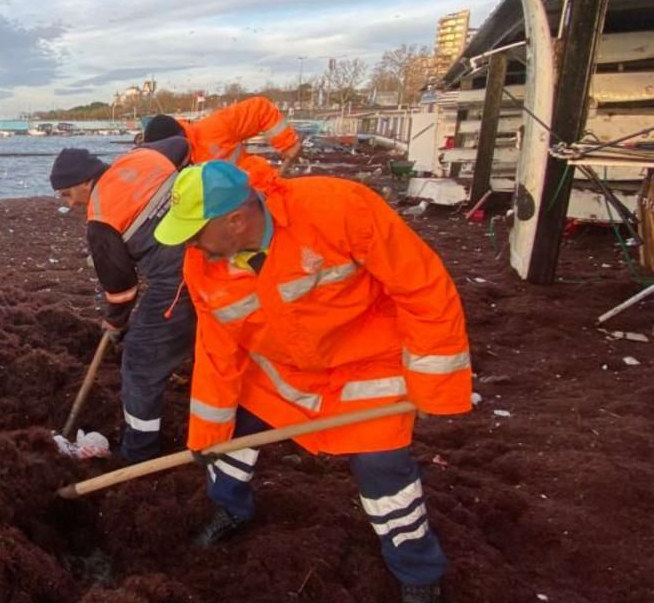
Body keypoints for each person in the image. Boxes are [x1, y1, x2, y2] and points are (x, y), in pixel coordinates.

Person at [153, 156, 472, 603]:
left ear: (236, 221)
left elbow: (422, 287)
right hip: (279, 373)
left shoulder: (338, 208)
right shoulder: (203, 267)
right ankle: (230, 508)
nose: (189, 246)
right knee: (227, 441)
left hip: (366, 367)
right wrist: (206, 435)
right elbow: (217, 352)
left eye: (194, 233)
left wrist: (435, 386)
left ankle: (418, 572)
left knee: (383, 471)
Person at [49, 137, 196, 462]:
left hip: (179, 282)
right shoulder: (142, 156)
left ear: (85, 182)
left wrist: (114, 323)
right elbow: (181, 144)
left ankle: (138, 452)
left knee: (141, 362)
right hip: (213, 250)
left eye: (69, 194)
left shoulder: (101, 219)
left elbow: (123, 290)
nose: (71, 204)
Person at [142, 96, 301, 165]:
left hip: (257, 191)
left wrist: (287, 143)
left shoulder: (216, 127)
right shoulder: (162, 168)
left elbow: (260, 109)